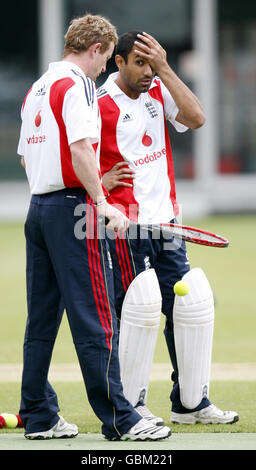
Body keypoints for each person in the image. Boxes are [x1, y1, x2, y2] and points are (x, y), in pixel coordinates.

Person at [17, 16, 171, 442]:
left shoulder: (36, 89)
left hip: (38, 209)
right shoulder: (78, 85)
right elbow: (82, 148)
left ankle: (38, 414)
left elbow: (28, 159)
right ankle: (121, 418)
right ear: (99, 48)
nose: (103, 69)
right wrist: (101, 203)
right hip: (71, 211)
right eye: (105, 58)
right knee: (96, 317)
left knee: (42, 322)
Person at [97, 30, 239, 425]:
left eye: (151, 62)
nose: (146, 71)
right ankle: (132, 405)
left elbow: (196, 118)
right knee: (136, 312)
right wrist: (100, 180)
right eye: (139, 63)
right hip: (126, 228)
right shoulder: (101, 103)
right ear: (118, 62)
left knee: (188, 307)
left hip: (168, 225)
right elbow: (76, 154)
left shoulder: (159, 89)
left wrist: (164, 67)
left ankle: (190, 404)